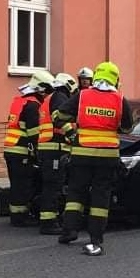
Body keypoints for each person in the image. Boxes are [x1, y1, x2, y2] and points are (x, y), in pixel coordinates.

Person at [54, 61, 133, 256]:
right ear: (115, 78)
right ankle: (96, 238)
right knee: (101, 196)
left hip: (82, 153)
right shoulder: (120, 99)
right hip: (107, 156)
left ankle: (69, 231)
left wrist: (71, 134)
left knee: (75, 193)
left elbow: (58, 116)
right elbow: (127, 127)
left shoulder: (82, 96)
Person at [4, 71, 54, 227]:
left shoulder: (20, 101)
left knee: (16, 184)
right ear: (40, 89)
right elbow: (33, 134)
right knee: (23, 185)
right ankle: (20, 218)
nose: (47, 95)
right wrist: (38, 152)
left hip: (11, 148)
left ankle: (16, 215)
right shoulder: (33, 106)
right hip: (22, 151)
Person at [35, 73, 77, 235]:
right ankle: (48, 222)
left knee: (51, 185)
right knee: (53, 186)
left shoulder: (50, 98)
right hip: (55, 149)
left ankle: (50, 218)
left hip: (49, 148)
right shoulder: (59, 97)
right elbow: (60, 120)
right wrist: (72, 135)